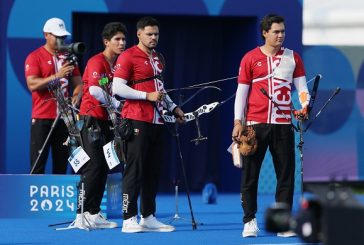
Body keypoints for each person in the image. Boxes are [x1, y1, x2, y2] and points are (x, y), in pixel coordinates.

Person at [232, 14, 310, 238]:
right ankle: (249, 220)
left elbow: (302, 87)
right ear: (265, 33)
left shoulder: (293, 58)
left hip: (283, 124)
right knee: (250, 175)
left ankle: (282, 223)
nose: (280, 35)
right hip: (255, 126)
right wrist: (238, 121)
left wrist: (305, 105)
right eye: (276, 31)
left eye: (283, 31)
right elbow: (242, 93)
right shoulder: (250, 58)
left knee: (285, 176)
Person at [112, 16, 185, 233]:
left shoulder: (158, 58)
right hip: (136, 119)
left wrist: (173, 108)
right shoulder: (127, 56)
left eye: (156, 34)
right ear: (139, 34)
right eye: (149, 34)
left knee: (153, 171)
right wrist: (146, 96)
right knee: (134, 170)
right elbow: (117, 87)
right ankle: (128, 218)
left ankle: (148, 216)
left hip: (158, 121)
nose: (153, 38)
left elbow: (160, 91)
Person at [67, 22, 128, 230]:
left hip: (106, 122)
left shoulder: (116, 66)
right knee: (92, 167)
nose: (122, 43)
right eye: (117, 39)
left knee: (103, 167)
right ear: (106, 42)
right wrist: (118, 104)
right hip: (91, 120)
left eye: (123, 39)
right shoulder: (96, 62)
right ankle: (80, 214)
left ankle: (93, 213)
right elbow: (93, 90)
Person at [25, 17, 82, 174]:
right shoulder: (35, 56)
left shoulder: (68, 57)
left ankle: (60, 198)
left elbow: (79, 83)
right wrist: (57, 75)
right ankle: (35, 198)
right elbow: (32, 84)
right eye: (57, 36)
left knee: (61, 164)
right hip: (42, 117)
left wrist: (76, 96)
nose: (60, 40)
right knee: (38, 163)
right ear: (46, 35)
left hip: (64, 118)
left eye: (62, 37)